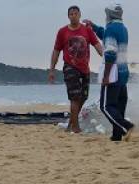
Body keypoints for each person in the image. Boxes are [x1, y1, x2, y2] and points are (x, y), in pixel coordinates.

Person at [49, 5, 104, 133]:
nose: (73, 16)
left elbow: (97, 46)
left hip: (84, 68)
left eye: (75, 13)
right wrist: (51, 70)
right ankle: (75, 127)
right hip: (70, 67)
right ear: (68, 16)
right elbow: (56, 51)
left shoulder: (87, 30)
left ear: (79, 15)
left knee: (84, 96)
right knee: (75, 97)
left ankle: (70, 124)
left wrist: (108, 59)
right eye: (71, 14)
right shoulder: (62, 32)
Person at [86, 4, 134, 142]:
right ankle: (116, 135)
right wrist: (94, 27)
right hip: (124, 72)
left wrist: (106, 76)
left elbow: (111, 53)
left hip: (114, 73)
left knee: (106, 106)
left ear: (110, 14)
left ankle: (126, 127)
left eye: (107, 13)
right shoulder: (123, 29)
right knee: (119, 105)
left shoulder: (111, 28)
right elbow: (106, 35)